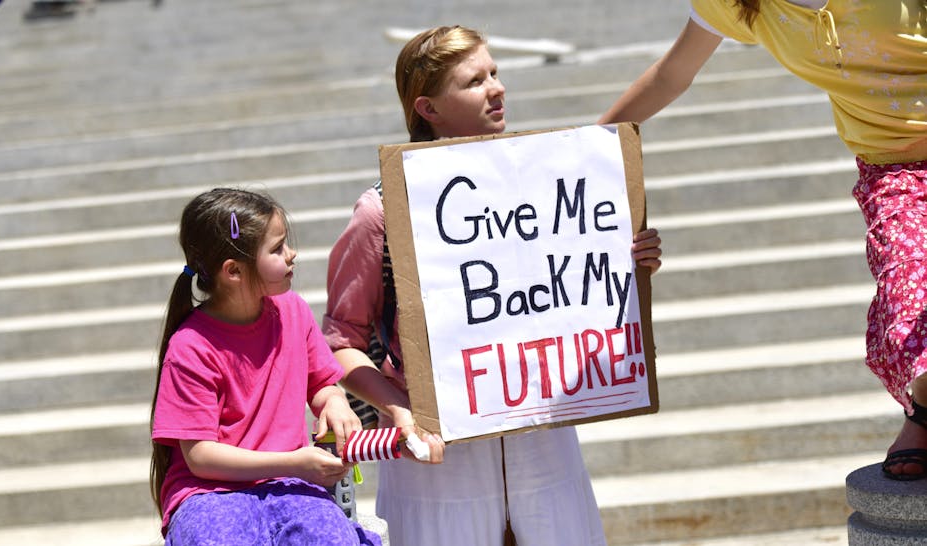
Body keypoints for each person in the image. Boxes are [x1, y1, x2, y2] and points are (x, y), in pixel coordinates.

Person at [323, 26, 663, 546]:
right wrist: (399, 411)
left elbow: (568, 288)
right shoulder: (381, 210)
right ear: (428, 108)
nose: (497, 88)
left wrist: (626, 264)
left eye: (495, 73)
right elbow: (340, 343)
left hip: (544, 438)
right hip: (436, 457)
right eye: (474, 80)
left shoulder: (545, 187)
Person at [598, 0, 927, 481]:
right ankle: (923, 414)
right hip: (893, 170)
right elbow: (671, 76)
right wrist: (586, 147)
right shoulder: (738, 5)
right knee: (906, 299)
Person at [149, 188, 381, 545]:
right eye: (277, 248)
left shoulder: (294, 311)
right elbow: (200, 457)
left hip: (291, 484)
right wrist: (293, 463)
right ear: (233, 271)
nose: (292, 254)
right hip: (210, 494)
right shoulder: (190, 346)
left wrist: (335, 402)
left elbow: (322, 384)